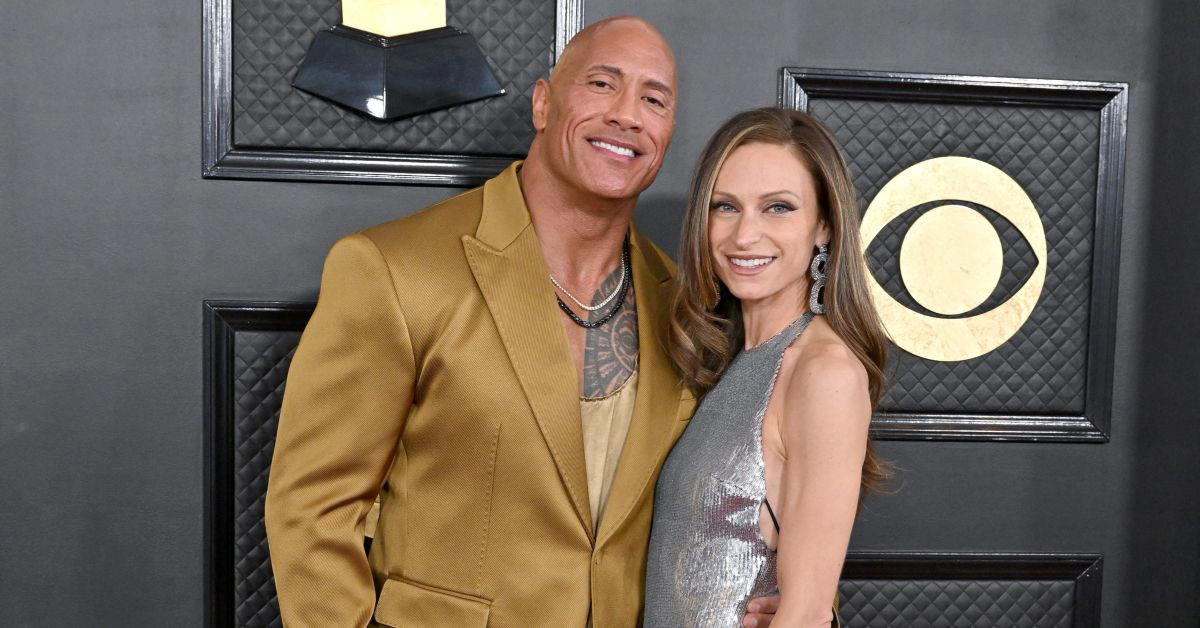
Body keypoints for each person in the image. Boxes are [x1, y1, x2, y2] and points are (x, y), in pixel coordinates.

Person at [265, 17, 779, 627]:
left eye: (654, 99)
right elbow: (312, 511)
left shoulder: (686, 307)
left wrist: (770, 592)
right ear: (542, 103)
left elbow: (717, 499)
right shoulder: (394, 269)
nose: (627, 114)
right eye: (601, 84)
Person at [643, 108, 891, 627]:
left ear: (823, 224)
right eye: (725, 207)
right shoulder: (735, 358)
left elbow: (803, 615)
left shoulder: (823, 372)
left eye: (778, 208)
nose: (744, 236)